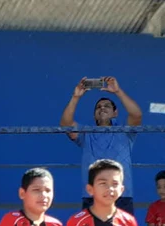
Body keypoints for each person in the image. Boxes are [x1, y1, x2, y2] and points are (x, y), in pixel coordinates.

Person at [59, 76, 143, 213]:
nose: (102, 108)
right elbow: (66, 124)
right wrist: (76, 97)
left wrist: (118, 91)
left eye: (107, 106)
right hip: (92, 195)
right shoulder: (86, 133)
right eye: (98, 107)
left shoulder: (125, 131)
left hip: (121, 195)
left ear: (115, 113)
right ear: (94, 116)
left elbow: (136, 115)